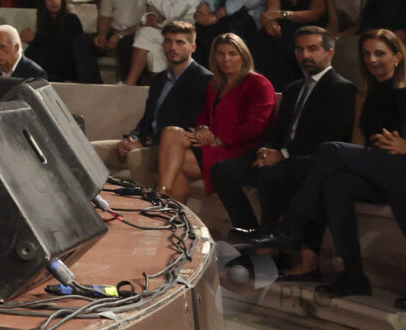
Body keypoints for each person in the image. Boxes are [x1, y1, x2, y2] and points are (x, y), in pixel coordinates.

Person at [231, 28, 406, 297]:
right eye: (366, 53)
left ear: (397, 56)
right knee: (336, 183)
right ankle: (354, 275)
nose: (372, 59)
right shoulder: (365, 94)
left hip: (400, 166)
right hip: (374, 167)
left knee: (329, 150)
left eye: (379, 53)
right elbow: (358, 144)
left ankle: (290, 226)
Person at [210, 25, 357, 235]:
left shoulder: (341, 88)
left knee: (270, 173)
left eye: (312, 49)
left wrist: (283, 155)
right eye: (300, 49)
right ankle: (251, 230)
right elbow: (278, 130)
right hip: (280, 156)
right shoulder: (293, 88)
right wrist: (266, 149)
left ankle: (270, 239)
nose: (305, 55)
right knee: (222, 170)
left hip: (310, 160)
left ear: (329, 53)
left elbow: (330, 138)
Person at [155, 33, 274, 205]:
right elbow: (203, 115)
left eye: (232, 53)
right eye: (221, 54)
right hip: (211, 145)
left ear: (243, 56)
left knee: (171, 163)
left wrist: (221, 140)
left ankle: (165, 204)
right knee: (171, 133)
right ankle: (165, 197)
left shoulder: (257, 83)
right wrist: (202, 128)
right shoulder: (216, 84)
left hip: (237, 150)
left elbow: (256, 126)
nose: (226, 59)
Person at [104, 21, 213, 189]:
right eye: (168, 41)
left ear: (193, 47)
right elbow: (147, 120)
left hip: (171, 146)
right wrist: (133, 137)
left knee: (136, 156)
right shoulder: (159, 80)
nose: (172, 47)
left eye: (179, 42)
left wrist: (145, 143)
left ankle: (148, 208)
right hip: (147, 142)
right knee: (93, 150)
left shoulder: (203, 79)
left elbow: (187, 124)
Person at [26, 0, 94, 82]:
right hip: (53, 59)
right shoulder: (45, 21)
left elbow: (64, 45)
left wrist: (36, 38)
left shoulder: (71, 19)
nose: (54, 1)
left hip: (69, 61)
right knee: (30, 52)